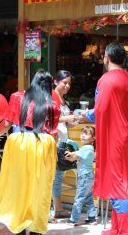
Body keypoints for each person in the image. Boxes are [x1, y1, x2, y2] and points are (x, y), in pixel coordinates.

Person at [0, 70, 61, 234]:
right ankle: (36, 227)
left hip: (20, 144)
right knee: (39, 188)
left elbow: (7, 123)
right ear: (50, 85)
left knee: (18, 185)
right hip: (42, 145)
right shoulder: (53, 105)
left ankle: (19, 225)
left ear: (33, 81)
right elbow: (54, 133)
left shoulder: (17, 97)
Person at [81, 42, 128, 234]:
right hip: (125, 137)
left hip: (112, 137)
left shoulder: (106, 80)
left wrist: (85, 115)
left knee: (117, 183)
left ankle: (124, 230)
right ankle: (117, 228)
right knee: (121, 180)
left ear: (106, 58)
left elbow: (100, 110)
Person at [51, 70, 79, 220]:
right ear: (56, 81)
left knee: (58, 175)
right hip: (54, 141)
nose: (67, 86)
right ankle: (56, 208)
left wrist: (74, 121)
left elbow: (64, 124)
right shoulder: (51, 97)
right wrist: (67, 118)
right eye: (64, 82)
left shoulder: (63, 99)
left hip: (62, 141)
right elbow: (50, 118)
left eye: (69, 83)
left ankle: (58, 208)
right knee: (55, 176)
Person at [64, 126, 97, 225]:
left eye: (86, 134)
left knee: (79, 198)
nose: (82, 136)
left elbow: (74, 157)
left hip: (84, 177)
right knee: (88, 197)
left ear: (93, 138)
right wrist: (71, 153)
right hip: (89, 176)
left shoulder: (87, 148)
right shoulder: (89, 148)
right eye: (82, 133)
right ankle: (92, 217)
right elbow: (77, 152)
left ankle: (73, 219)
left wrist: (66, 156)